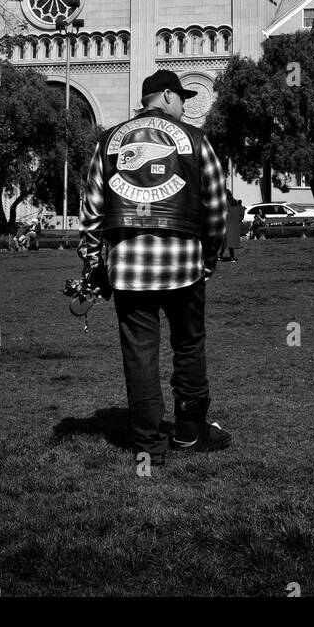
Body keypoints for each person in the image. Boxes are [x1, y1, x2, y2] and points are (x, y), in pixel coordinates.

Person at [77, 69, 230, 466]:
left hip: (128, 267)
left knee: (140, 355)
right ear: (164, 96)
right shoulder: (196, 141)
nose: (184, 106)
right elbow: (217, 208)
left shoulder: (109, 140)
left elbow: (91, 209)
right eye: (181, 98)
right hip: (184, 265)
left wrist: (95, 264)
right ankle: (191, 432)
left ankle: (148, 447)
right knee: (189, 345)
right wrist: (208, 259)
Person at [221, 190, 241, 261]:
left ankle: (229, 257)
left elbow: (226, 213)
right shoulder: (235, 201)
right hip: (234, 223)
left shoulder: (226, 202)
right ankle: (224, 256)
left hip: (228, 222)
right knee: (229, 241)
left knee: (226, 241)